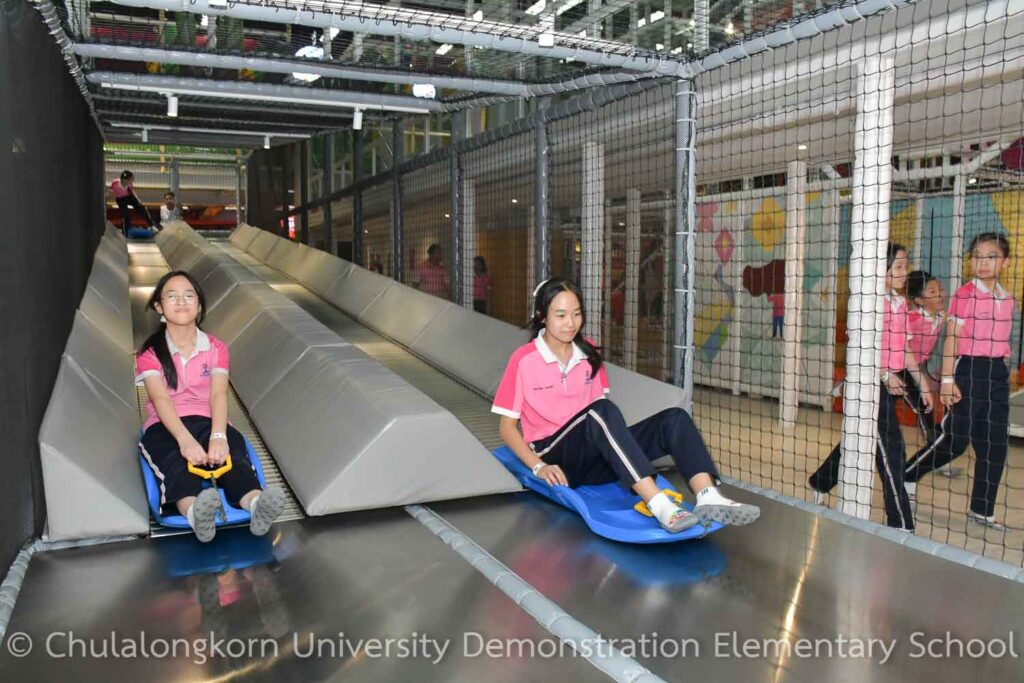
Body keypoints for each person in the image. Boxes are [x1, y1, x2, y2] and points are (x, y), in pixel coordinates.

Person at [492, 276, 760, 533]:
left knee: (674, 418)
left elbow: (599, 420)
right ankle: (659, 504)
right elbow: (507, 427)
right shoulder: (524, 359)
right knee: (601, 412)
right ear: (542, 316)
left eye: (577, 314)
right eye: (561, 315)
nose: (571, 323)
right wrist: (539, 466)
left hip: (595, 460)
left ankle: (708, 495)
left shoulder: (588, 353)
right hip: (556, 459)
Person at [136, 271, 285, 543]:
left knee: (233, 457)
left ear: (199, 305)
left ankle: (256, 504)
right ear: (159, 306)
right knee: (175, 462)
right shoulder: (150, 354)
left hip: (208, 420)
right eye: (172, 296)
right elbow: (161, 400)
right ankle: (196, 513)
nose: (181, 302)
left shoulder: (216, 348)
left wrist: (218, 436)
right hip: (166, 424)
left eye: (188, 296)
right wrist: (185, 441)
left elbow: (218, 395)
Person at [808, 243, 929, 532]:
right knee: (891, 451)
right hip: (867, 386)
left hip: (889, 384)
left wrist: (922, 382)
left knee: (857, 439)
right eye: (898, 266)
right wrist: (885, 375)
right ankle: (901, 524)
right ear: (881, 270)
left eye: (905, 265)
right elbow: (862, 348)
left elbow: (905, 349)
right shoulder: (868, 302)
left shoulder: (900, 303)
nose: (905, 272)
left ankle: (820, 481)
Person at [904, 233, 1016, 529]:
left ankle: (982, 510)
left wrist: (1004, 372)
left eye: (991, 256)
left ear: (1005, 263)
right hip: (968, 371)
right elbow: (952, 337)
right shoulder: (966, 294)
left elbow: (1002, 341)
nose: (983, 262)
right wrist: (948, 379)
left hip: (996, 374)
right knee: (955, 442)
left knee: (995, 446)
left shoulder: (1007, 300)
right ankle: (907, 474)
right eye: (977, 256)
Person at [111, 170, 156, 235]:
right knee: (125, 214)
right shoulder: (115, 183)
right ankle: (125, 232)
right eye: (130, 179)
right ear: (124, 180)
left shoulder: (129, 184)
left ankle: (151, 225)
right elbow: (111, 190)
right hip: (120, 199)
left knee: (141, 208)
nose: (131, 181)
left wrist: (138, 200)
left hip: (128, 197)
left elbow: (132, 191)